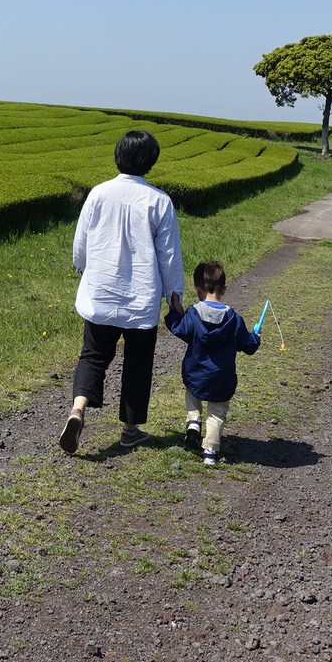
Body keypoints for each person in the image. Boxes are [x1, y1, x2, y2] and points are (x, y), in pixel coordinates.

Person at [59, 129, 183, 454]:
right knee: (138, 362)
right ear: (150, 161)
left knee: (93, 355)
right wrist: (175, 296)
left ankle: (78, 409)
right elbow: (169, 256)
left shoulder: (98, 193)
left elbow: (81, 243)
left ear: (118, 156)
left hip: (101, 291)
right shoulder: (159, 201)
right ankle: (130, 430)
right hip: (140, 298)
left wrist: (83, 269)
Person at [164, 260, 260, 466]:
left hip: (195, 374)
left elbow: (180, 329)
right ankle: (209, 452)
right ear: (224, 289)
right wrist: (256, 336)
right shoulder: (234, 319)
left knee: (192, 393)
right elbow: (248, 346)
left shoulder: (193, 313)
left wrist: (175, 313)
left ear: (197, 288)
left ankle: (193, 422)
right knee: (216, 413)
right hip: (221, 378)